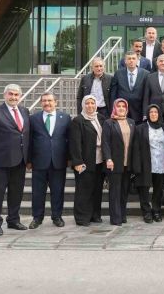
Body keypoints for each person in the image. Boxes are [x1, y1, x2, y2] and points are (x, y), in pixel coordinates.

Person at [0, 84, 30, 236]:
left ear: (20, 97)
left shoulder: (25, 111)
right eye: (11, 94)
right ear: (5, 95)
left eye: (16, 95)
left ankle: (13, 220)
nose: (13, 97)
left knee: (16, 193)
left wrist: (28, 158)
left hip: (20, 161)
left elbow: (26, 136)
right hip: (0, 162)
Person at [28, 91, 70, 229]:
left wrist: (69, 158)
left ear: (55, 102)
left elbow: (69, 140)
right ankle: (37, 218)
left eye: (50, 100)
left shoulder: (65, 118)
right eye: (44, 101)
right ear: (41, 103)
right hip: (39, 161)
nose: (47, 103)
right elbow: (29, 140)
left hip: (58, 161)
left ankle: (57, 216)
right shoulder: (33, 118)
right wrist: (28, 160)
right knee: (37, 192)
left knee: (58, 191)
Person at [69, 95, 106, 226]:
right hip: (85, 161)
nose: (90, 106)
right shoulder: (78, 120)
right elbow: (75, 143)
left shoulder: (100, 118)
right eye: (87, 103)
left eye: (92, 103)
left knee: (97, 189)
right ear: (83, 105)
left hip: (100, 160)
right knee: (84, 190)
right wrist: (77, 162)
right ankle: (82, 217)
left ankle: (95, 215)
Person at [132, 104, 164, 223]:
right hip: (146, 164)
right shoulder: (140, 128)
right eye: (151, 112)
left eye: (156, 112)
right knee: (144, 190)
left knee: (158, 189)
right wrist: (136, 166)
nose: (153, 114)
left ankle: (156, 211)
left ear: (159, 114)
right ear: (147, 114)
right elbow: (136, 148)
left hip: (161, 164)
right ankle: (146, 212)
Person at [102, 99, 135, 226]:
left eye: (123, 106)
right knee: (115, 191)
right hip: (114, 162)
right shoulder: (109, 123)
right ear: (114, 108)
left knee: (124, 191)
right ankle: (115, 218)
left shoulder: (131, 122)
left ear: (126, 109)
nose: (121, 108)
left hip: (128, 163)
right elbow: (105, 143)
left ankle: (122, 215)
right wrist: (108, 159)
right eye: (118, 106)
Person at [110, 51, 149, 121]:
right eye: (129, 59)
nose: (131, 61)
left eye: (133, 59)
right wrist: (114, 110)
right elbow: (113, 94)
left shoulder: (145, 74)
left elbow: (146, 94)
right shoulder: (118, 73)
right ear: (125, 61)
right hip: (122, 111)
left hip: (138, 111)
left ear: (137, 60)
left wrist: (145, 113)